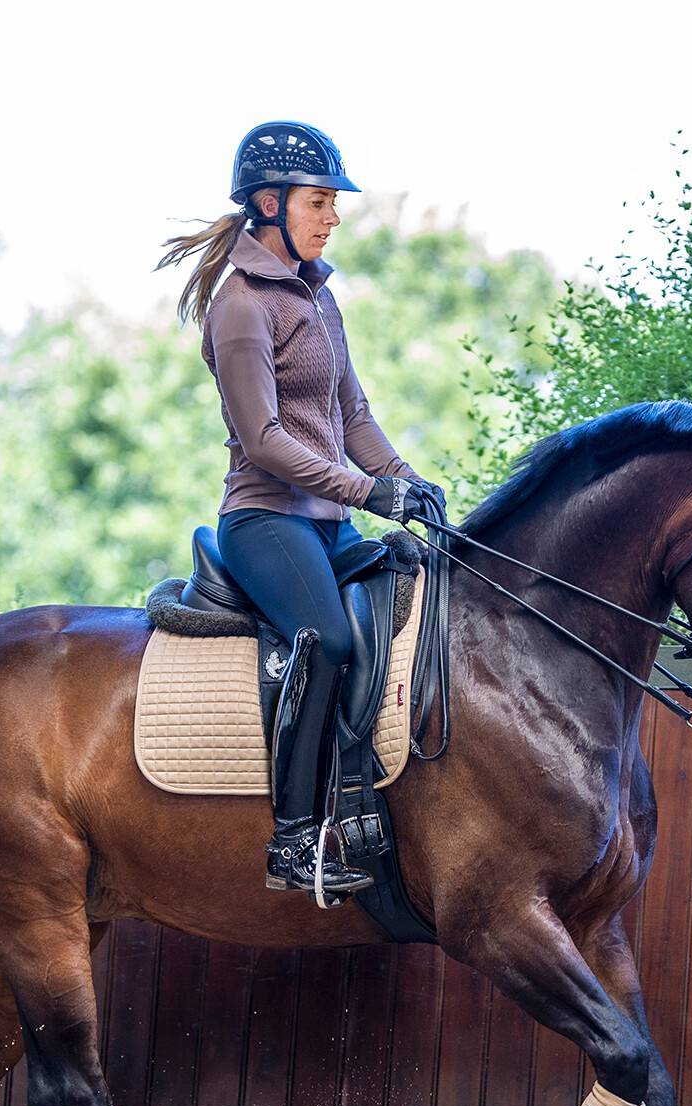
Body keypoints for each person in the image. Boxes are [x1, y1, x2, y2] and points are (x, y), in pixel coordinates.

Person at [156, 121, 446, 898]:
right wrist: (365, 491)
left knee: (423, 580)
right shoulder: (242, 305)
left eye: (332, 202)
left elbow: (353, 417)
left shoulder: (319, 296)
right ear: (269, 203)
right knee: (327, 639)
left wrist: (408, 483)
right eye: (320, 202)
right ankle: (292, 838)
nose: (334, 216)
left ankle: (365, 793)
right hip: (266, 522)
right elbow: (264, 438)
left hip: (327, 524)